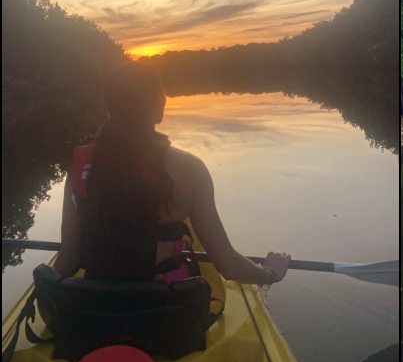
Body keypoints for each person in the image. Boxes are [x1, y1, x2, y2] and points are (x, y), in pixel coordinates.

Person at [55, 61, 290, 287]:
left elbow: (68, 259)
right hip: (166, 308)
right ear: (159, 105)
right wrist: (270, 273)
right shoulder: (190, 169)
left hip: (97, 307)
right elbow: (228, 265)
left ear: (108, 106)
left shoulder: (80, 165)